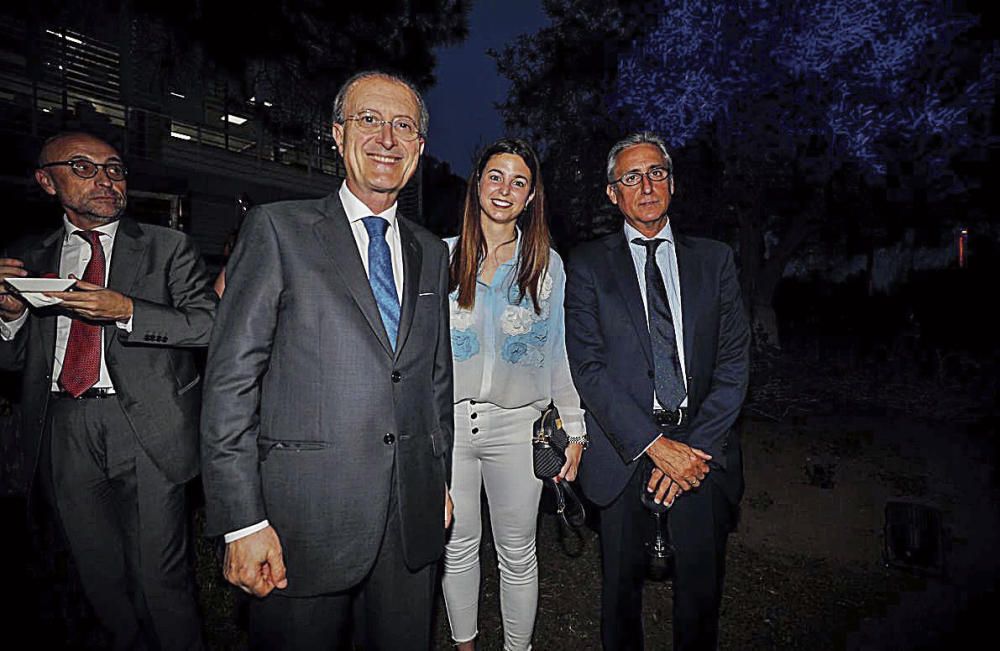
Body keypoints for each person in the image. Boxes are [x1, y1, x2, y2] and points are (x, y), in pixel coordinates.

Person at [200, 70, 454, 650]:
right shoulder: (277, 230)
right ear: (337, 135)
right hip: (302, 523)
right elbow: (230, 385)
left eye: (403, 125)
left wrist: (436, 479)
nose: (387, 138)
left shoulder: (431, 252)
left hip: (409, 521)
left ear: (418, 147)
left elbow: (435, 380)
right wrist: (242, 521)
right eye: (369, 120)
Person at [0, 131, 215, 650]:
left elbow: (210, 324)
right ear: (46, 180)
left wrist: (130, 311)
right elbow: (15, 362)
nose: (105, 179)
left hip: (145, 425)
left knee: (160, 579)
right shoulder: (28, 256)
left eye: (115, 169)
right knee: (97, 574)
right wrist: (8, 319)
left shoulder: (168, 248)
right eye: (84, 167)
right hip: (61, 426)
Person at [565, 132, 750, 650]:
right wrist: (654, 446)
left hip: (701, 452)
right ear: (612, 193)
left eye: (657, 173)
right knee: (620, 600)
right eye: (631, 177)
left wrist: (695, 450)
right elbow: (588, 366)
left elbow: (735, 362)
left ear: (673, 183)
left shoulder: (714, 261)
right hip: (625, 450)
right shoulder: (587, 265)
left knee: (700, 598)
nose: (646, 185)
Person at [442, 138, 586, 650]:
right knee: (458, 546)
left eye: (518, 181)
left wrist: (574, 428)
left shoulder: (547, 265)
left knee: (518, 551)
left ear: (531, 197)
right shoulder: (440, 257)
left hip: (518, 428)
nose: (505, 189)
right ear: (477, 183)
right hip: (451, 427)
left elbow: (560, 351)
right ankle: (465, 646)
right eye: (496, 176)